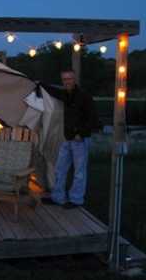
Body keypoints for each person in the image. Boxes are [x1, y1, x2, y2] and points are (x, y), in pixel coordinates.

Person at [37, 70, 99, 209]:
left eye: (69, 79)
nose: (67, 82)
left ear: (74, 79)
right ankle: (58, 197)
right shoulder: (65, 94)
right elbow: (54, 91)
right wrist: (40, 83)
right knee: (60, 169)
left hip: (80, 140)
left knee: (79, 172)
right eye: (64, 79)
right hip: (67, 138)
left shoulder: (84, 96)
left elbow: (93, 119)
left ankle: (76, 200)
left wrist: (81, 134)